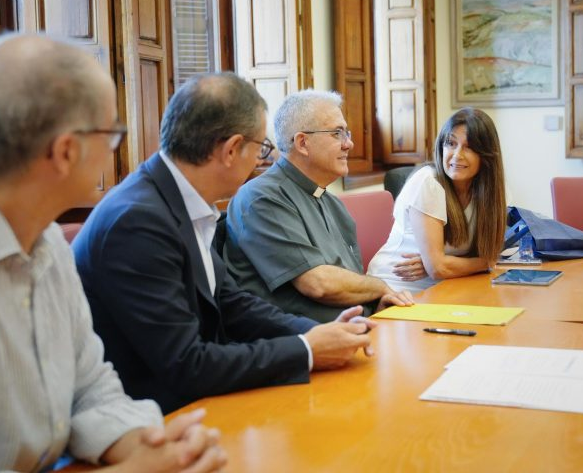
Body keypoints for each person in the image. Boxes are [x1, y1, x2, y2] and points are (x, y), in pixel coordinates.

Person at [0, 34, 226, 471]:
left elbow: (91, 386)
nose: (116, 149)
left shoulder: (46, 244)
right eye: (113, 133)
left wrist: (150, 443)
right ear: (65, 151)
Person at [73, 74, 375, 415]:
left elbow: (232, 302)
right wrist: (305, 349)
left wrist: (319, 333)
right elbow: (186, 364)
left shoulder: (174, 199)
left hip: (197, 394)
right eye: (261, 148)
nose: (262, 161)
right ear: (232, 149)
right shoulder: (137, 221)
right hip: (152, 417)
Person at [224, 90, 414, 322]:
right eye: (337, 133)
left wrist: (376, 304)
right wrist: (381, 287)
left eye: (347, 133)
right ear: (303, 143)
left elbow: (349, 282)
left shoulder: (331, 203)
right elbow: (319, 284)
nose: (350, 144)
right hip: (299, 345)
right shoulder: (261, 198)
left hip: (356, 329)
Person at [367, 107, 507, 292]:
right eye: (450, 143)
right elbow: (438, 268)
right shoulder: (428, 182)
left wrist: (448, 264)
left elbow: (484, 254)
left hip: (448, 287)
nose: (457, 155)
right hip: (398, 290)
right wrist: (485, 263)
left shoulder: (486, 191)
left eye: (469, 147)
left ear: (487, 155)